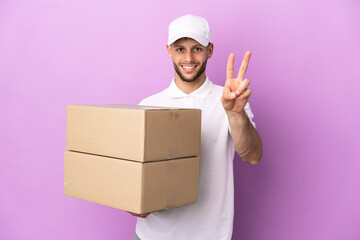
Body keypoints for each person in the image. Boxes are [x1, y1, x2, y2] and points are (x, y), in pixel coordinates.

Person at [130, 14, 263, 240]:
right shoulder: (148, 106)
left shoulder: (230, 100)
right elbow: (132, 173)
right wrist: (133, 202)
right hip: (151, 236)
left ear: (210, 50)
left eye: (197, 49)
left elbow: (253, 155)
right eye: (180, 49)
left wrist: (234, 113)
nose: (189, 58)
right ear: (169, 50)